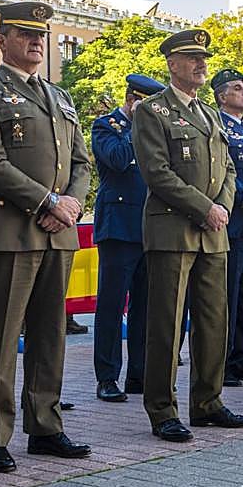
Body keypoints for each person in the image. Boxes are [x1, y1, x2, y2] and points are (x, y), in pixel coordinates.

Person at [0, 0, 93, 473]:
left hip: (58, 234)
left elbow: (81, 162)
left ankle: (46, 425)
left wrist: (72, 204)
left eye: (42, 36)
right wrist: (48, 202)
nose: (37, 42)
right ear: (1, 41)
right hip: (12, 230)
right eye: (24, 34)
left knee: (49, 335)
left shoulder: (59, 97)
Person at [131, 28, 243, 441]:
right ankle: (162, 409)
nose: (201, 65)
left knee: (214, 321)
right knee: (166, 325)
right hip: (173, 231)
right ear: (172, 64)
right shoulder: (153, 111)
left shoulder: (211, 114)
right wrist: (205, 207)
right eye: (191, 58)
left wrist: (221, 207)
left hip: (213, 234)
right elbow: (157, 172)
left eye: (204, 59)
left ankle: (208, 401)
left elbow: (230, 170)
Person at [91, 73, 165, 402]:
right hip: (119, 226)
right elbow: (118, 161)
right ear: (131, 99)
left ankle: (139, 373)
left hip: (150, 227)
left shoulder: (154, 132)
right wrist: (136, 124)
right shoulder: (107, 126)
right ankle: (107, 377)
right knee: (111, 305)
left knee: (145, 307)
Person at [212, 68, 243, 387]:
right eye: (237, 88)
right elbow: (223, 171)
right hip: (236, 219)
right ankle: (224, 361)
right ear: (221, 96)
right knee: (227, 296)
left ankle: (242, 356)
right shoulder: (218, 126)